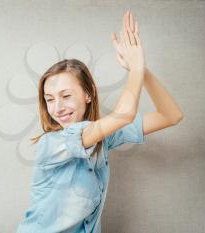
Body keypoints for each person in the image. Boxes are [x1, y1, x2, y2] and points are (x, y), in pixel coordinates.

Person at [15, 10, 183, 233]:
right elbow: (125, 114)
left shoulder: (103, 137)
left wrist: (141, 69)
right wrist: (135, 67)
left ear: (88, 94)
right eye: (49, 99)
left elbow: (171, 115)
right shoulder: (52, 144)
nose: (57, 107)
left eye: (66, 96)